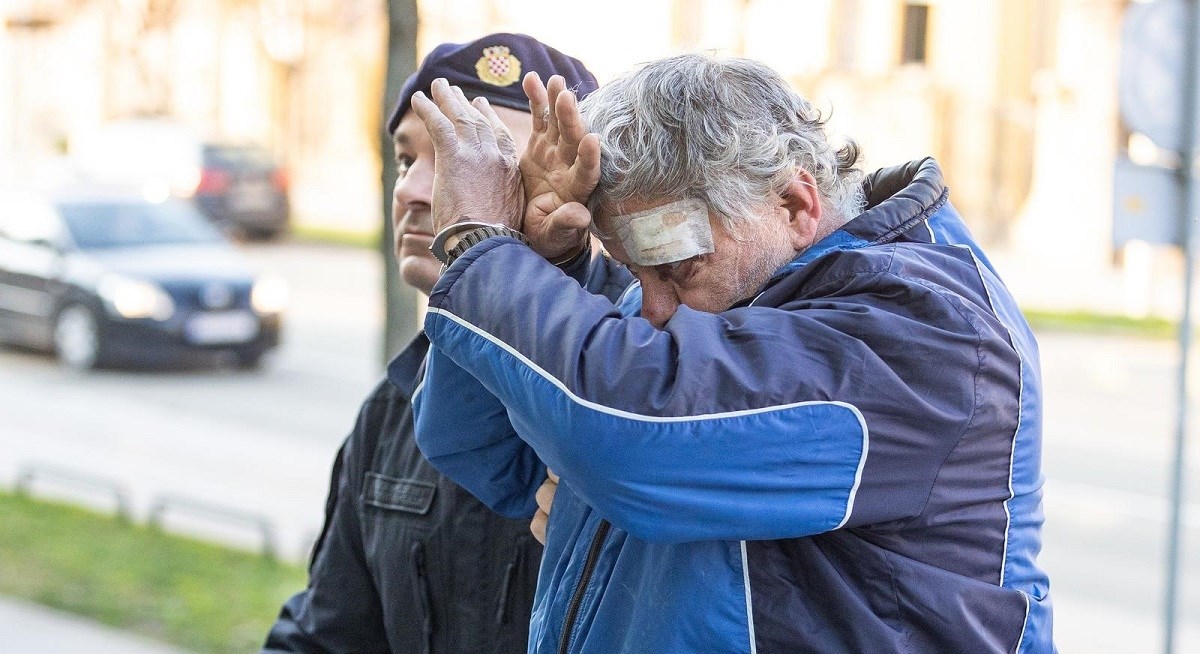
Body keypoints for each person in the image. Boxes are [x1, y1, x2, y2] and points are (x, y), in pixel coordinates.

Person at [408, 53, 1056, 653]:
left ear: (794, 203)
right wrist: (540, 261)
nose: (654, 309)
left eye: (679, 268)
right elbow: (481, 452)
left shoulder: (925, 328)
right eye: (634, 272)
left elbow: (639, 440)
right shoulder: (711, 301)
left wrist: (480, 248)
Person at [262, 34, 630, 654]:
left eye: (472, 158)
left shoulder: (647, 383)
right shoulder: (392, 408)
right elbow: (331, 634)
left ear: (579, 187)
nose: (411, 191)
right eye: (408, 160)